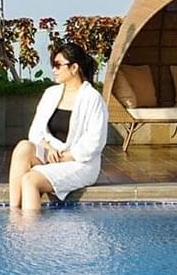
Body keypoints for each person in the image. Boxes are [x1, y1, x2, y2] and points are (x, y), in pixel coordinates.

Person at [8, 41, 109, 212]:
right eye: (52, 65)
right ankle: (14, 214)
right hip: (51, 155)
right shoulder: (51, 94)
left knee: (30, 180)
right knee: (23, 147)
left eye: (57, 65)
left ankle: (30, 233)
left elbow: (95, 142)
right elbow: (36, 131)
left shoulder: (92, 98)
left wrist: (65, 157)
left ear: (74, 68)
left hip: (80, 163)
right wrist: (48, 148)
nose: (53, 70)